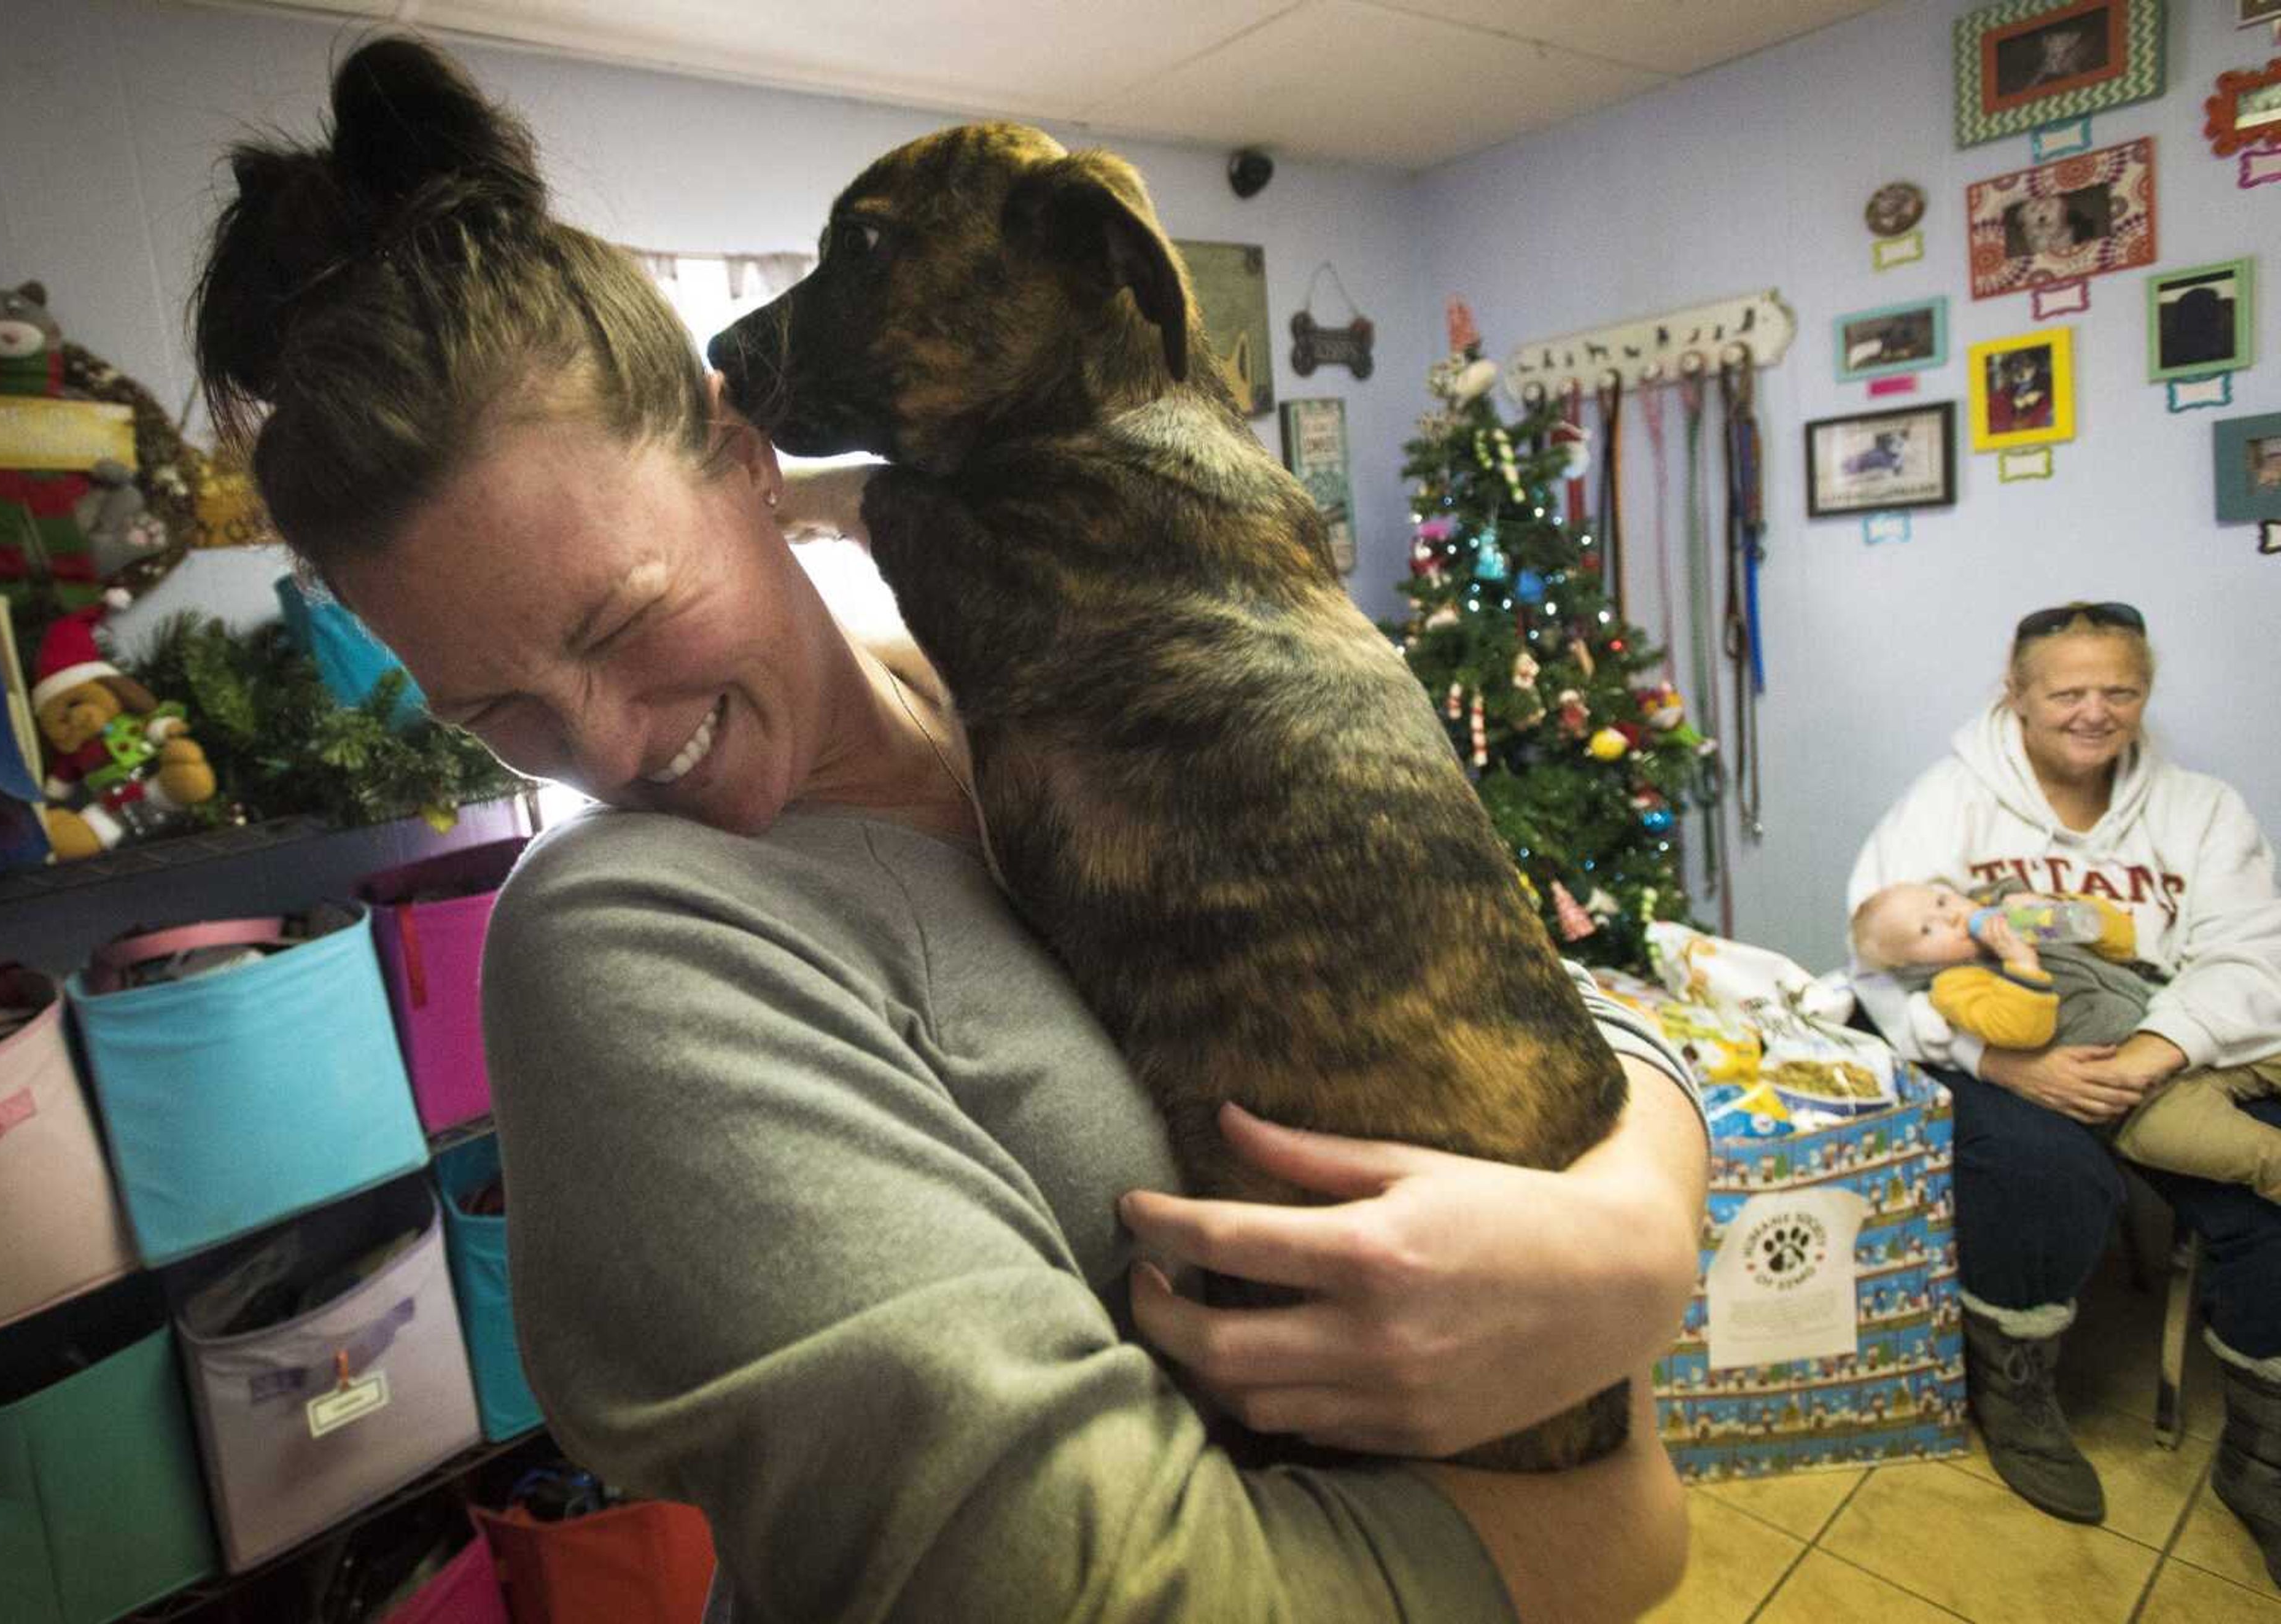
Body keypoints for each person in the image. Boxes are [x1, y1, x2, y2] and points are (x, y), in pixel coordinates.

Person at [193, 36, 1710, 1622]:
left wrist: (1636, 1233)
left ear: (745, 457)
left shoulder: (1060, 678)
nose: (610, 746)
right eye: (493, 708)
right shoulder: (628, 940)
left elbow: (1486, 959)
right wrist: (1619, 1518)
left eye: (625, 616)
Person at [1849, 602, 2281, 1579]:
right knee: (2045, 1171)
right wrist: (1999, 1063)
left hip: (2170, 1045)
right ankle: (2013, 1384)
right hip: (2012, 1044)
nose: (2095, 712)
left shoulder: (2202, 809)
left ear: (2146, 692)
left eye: (2119, 690)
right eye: (2069, 692)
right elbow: (1877, 963)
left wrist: (2162, 1046)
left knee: (2265, 1190)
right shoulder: (1947, 799)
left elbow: (2253, 955)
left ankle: (2264, 1456)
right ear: (2019, 694)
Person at [1852, 878, 2281, 1201]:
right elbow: (2023, 1030)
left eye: (1943, 901)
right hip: (2136, 1106)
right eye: (1927, 931)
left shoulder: (2020, 919)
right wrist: (2021, 963)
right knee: (2257, 1153)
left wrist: (2060, 910)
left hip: (2176, 1037)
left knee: (2265, 1041)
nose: (1949, 917)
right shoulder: (1955, 986)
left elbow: (2122, 940)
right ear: (1909, 965)